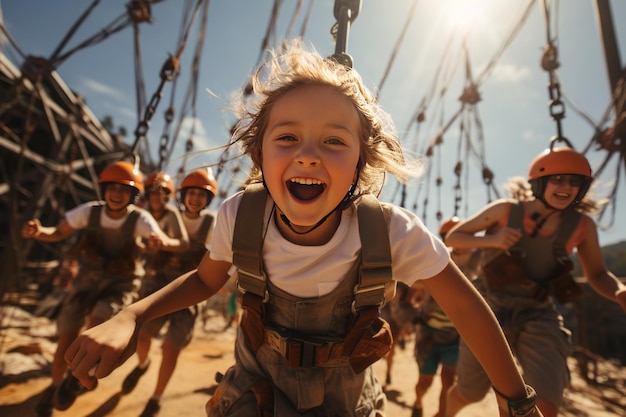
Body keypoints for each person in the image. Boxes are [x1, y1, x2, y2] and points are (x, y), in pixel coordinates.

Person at [64, 41, 544, 417]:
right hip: (254, 390)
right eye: (287, 137)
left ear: (361, 164)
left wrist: (516, 400)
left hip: (346, 401)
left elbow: (464, 304)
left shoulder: (389, 231)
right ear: (259, 156)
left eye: (334, 141)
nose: (308, 154)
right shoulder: (240, 217)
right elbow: (205, 280)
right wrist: (132, 317)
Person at [444, 143, 626, 417]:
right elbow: (454, 237)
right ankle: (443, 413)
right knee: (469, 392)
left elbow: (598, 274)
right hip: (490, 308)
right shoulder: (505, 210)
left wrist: (620, 292)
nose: (566, 186)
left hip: (538, 312)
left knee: (544, 403)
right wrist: (493, 240)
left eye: (575, 181)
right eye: (557, 178)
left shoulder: (582, 226)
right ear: (539, 183)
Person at [21, 160, 185, 417]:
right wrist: (40, 231)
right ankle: (55, 388)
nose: (117, 194)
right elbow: (58, 232)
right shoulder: (89, 212)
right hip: (88, 281)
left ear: (132, 195)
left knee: (96, 325)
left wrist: (160, 242)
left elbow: (164, 240)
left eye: (123, 190)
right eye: (112, 188)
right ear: (103, 190)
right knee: (66, 338)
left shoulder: (139, 218)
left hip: (120, 284)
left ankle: (77, 377)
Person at [119, 171, 193, 417]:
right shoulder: (144, 217)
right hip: (158, 283)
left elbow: (182, 244)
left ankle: (156, 398)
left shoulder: (172, 216)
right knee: (143, 335)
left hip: (185, 287)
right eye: (152, 194)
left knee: (171, 347)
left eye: (161, 195)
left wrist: (162, 243)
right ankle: (142, 365)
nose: (156, 199)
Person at [410, 217, 479, 417]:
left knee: (449, 380)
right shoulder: (436, 258)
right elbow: (416, 280)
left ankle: (442, 414)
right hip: (429, 334)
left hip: (455, 335)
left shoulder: (478, 262)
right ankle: (418, 401)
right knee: (425, 381)